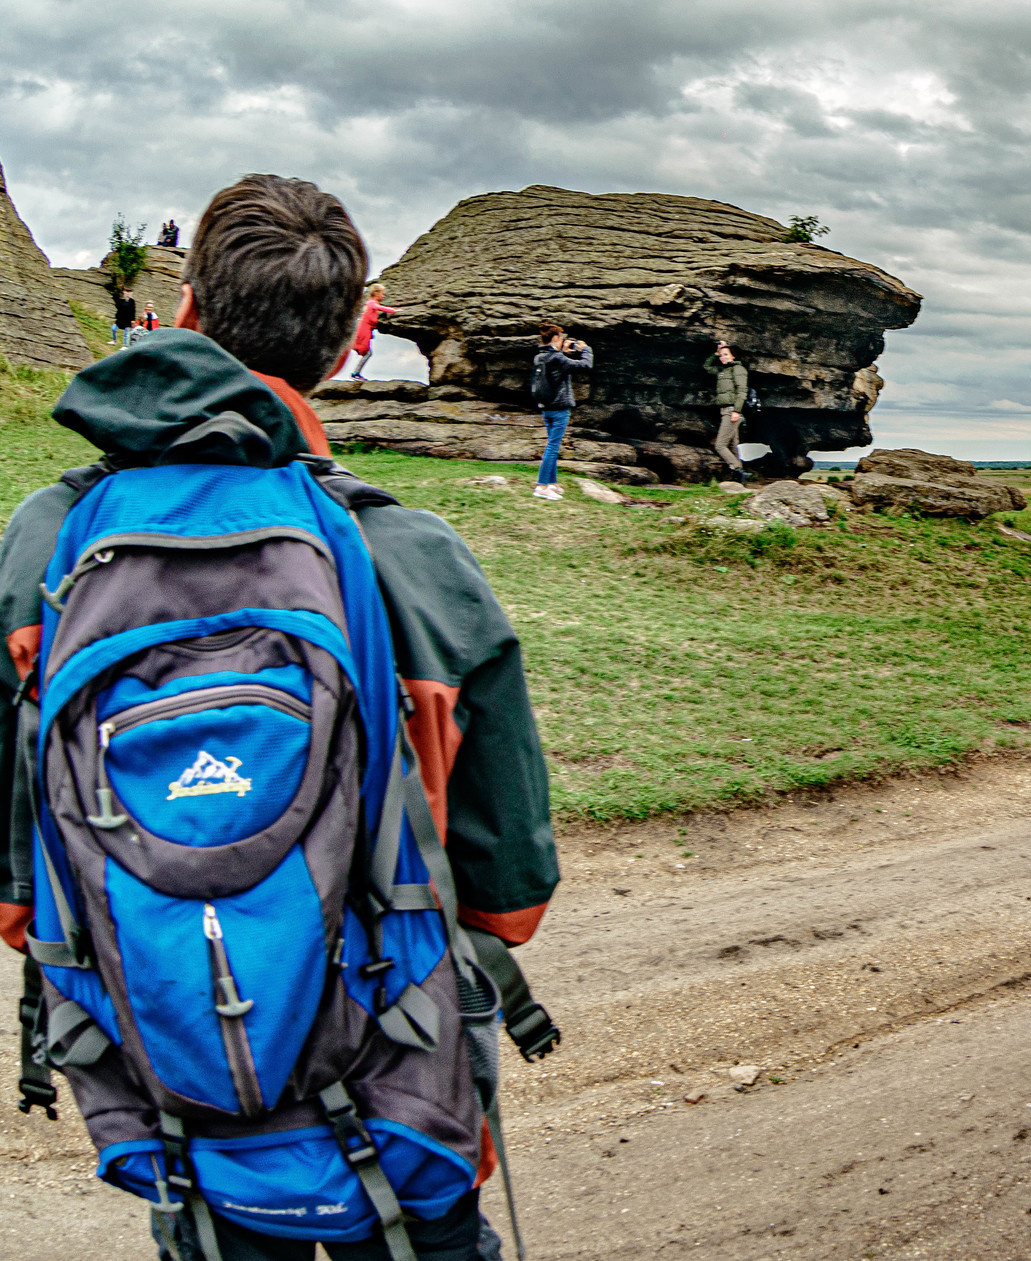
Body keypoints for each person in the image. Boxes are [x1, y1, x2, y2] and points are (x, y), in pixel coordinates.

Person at [0, 173, 559, 1261]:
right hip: (401, 1082)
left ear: (191, 315)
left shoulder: (50, 539)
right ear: (356, 335)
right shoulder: (414, 554)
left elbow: (18, 895)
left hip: (165, 1072)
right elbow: (512, 902)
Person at [528, 321, 591, 501]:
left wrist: (562, 352)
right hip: (560, 408)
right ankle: (541, 486)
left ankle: (552, 483)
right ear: (555, 338)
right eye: (561, 337)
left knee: (551, 445)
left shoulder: (540, 356)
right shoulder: (557, 358)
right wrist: (586, 349)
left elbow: (554, 370)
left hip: (546, 408)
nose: (563, 340)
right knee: (553, 447)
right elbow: (585, 366)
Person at [706, 339, 752, 476]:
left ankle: (738, 469)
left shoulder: (738, 369)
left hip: (732, 411)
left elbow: (742, 391)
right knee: (733, 444)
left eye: (726, 354)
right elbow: (707, 367)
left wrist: (737, 411)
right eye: (721, 355)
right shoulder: (722, 371)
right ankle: (740, 476)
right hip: (725, 411)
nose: (722, 357)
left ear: (733, 356)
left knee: (720, 445)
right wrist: (715, 353)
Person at [341, 282, 400, 379]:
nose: (383, 296)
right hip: (363, 330)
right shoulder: (371, 302)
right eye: (382, 293)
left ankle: (355, 373)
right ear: (376, 293)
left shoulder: (370, 303)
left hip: (364, 330)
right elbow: (378, 307)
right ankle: (355, 374)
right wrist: (393, 310)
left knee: (365, 352)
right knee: (366, 352)